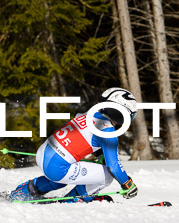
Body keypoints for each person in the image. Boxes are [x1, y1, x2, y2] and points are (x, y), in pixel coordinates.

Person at [9, 87, 139, 203]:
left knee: (60, 181)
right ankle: (73, 201)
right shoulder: (107, 131)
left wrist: (100, 155)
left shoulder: (88, 114)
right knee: (108, 177)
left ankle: (21, 193)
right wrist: (128, 184)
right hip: (56, 167)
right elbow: (114, 167)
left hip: (43, 153)